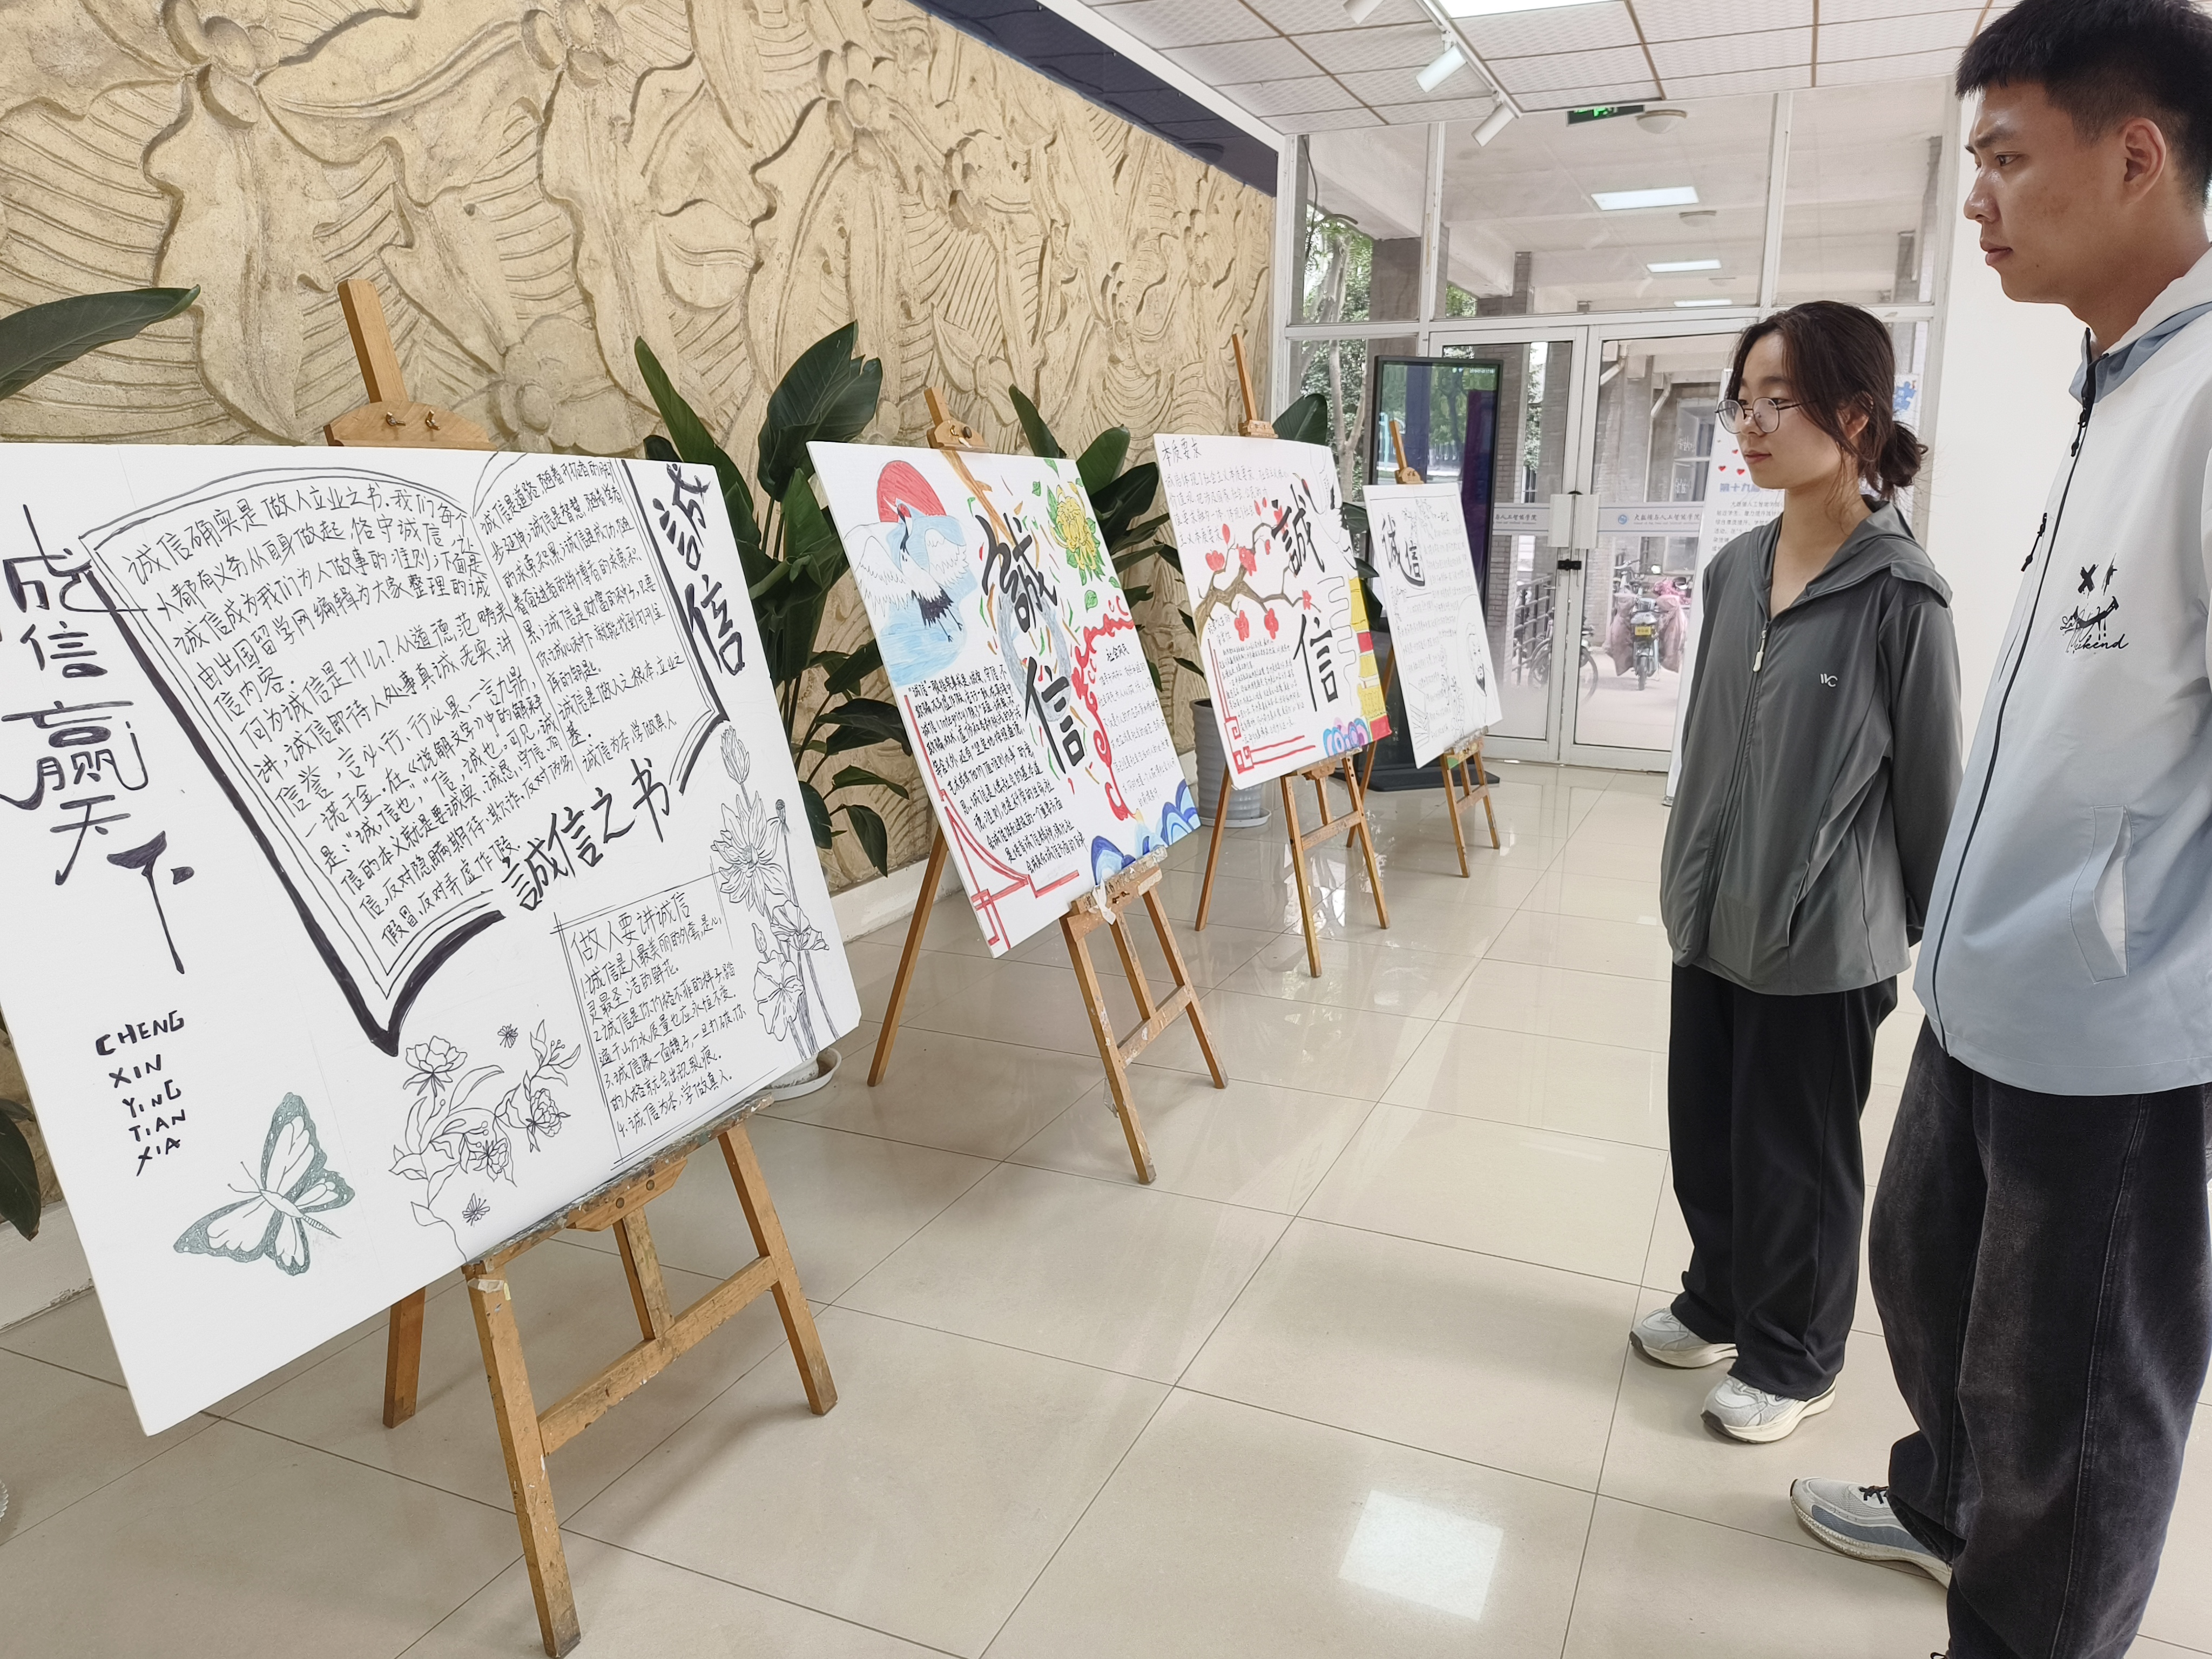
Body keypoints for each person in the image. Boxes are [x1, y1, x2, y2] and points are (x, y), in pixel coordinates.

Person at [1791, 1, 2212, 1651]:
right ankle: (1942, 1510)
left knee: (2074, 1421)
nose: (1978, 198)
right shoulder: (2118, 385)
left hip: (2111, 1043)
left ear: (2136, 154)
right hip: (1989, 991)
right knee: (1929, 1282)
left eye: (2007, 158)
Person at [1638, 302, 1961, 1444]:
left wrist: (1915, 941)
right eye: (1743, 401)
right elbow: (1707, 743)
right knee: (1707, 1133)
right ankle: (1719, 1301)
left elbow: (1931, 790)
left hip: (1825, 941)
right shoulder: (1734, 570)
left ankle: (1795, 1355)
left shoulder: (1902, 594)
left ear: (1855, 415)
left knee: (1798, 1162)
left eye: (1777, 401)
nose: (1750, 425)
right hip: (1712, 913)